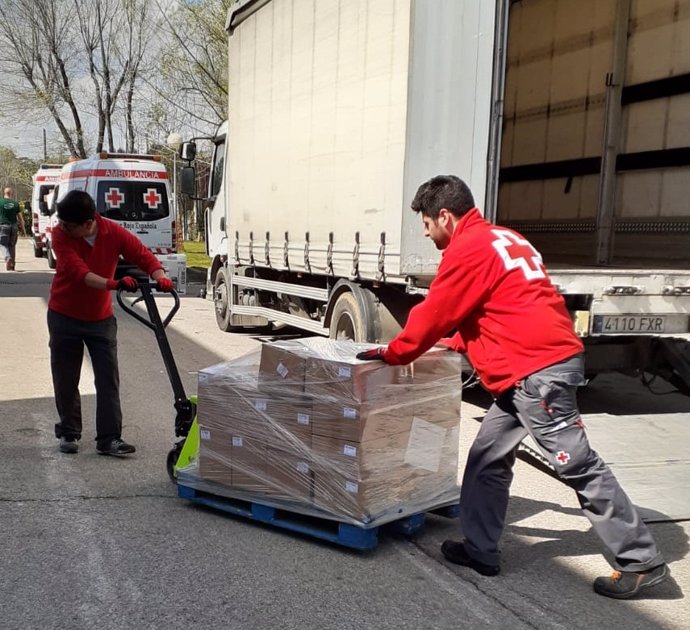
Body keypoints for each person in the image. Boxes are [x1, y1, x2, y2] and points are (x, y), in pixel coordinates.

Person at [356, 175, 668, 599]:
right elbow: (498, 308)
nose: (425, 233)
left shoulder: (466, 250)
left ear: (444, 216)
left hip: (538, 373)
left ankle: (641, 562)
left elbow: (436, 313)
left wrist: (396, 353)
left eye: (426, 224)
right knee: (488, 458)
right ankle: (481, 549)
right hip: (526, 373)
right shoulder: (503, 239)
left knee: (577, 464)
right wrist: (454, 345)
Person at [48, 189, 175, 457]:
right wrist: (113, 283)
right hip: (64, 316)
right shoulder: (60, 235)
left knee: (108, 380)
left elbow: (141, 254)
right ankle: (69, 432)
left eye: (69, 225)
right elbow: (79, 273)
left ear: (88, 223)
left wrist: (159, 274)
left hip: (100, 319)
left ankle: (109, 439)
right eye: (62, 223)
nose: (63, 228)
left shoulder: (112, 232)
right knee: (66, 377)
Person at [0, 186, 26, 271]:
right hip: (13, 226)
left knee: (3, 244)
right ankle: (12, 265)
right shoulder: (15, 204)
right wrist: (23, 229)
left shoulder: (0, 202)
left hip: (3, 226)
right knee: (12, 245)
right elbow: (20, 218)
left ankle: (7, 258)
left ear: (4, 193)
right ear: (11, 193)